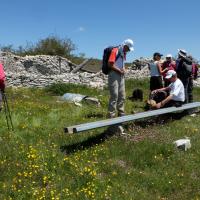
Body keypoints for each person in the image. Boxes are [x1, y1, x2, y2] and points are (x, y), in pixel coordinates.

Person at [107, 39, 134, 118]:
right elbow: (110, 64)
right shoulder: (115, 50)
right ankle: (111, 115)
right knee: (114, 95)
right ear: (125, 45)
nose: (129, 50)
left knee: (122, 95)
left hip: (120, 75)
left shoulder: (123, 52)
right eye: (128, 48)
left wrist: (123, 69)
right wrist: (119, 70)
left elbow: (120, 63)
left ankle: (121, 113)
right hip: (114, 74)